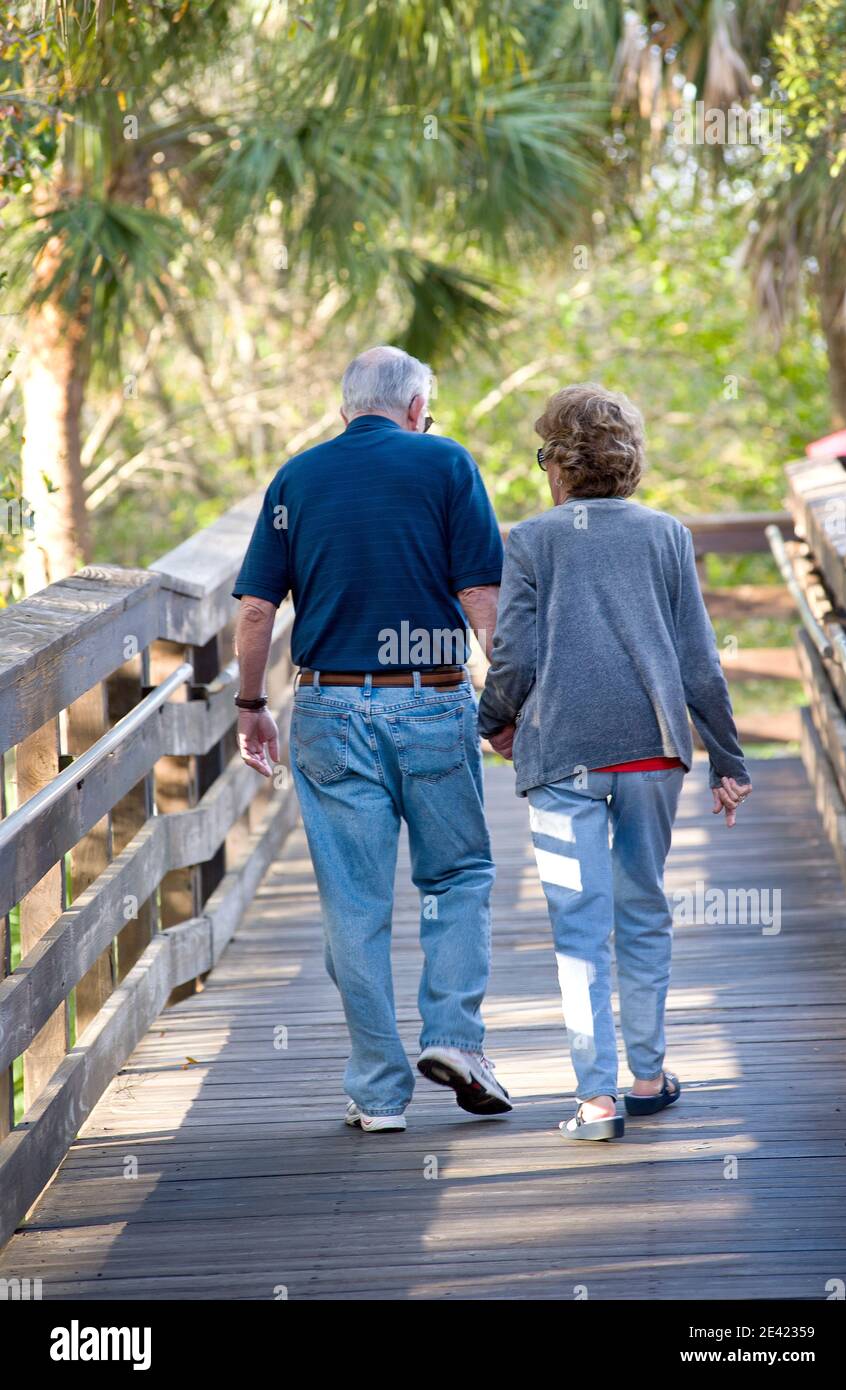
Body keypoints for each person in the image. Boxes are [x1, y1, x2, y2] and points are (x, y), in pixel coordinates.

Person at [232, 345, 512, 1133]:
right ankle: (454, 1039)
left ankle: (379, 1093)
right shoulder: (445, 464)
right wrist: (510, 700)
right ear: (418, 406)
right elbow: (480, 594)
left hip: (326, 708)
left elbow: (256, 610)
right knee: (455, 877)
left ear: (343, 407)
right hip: (428, 700)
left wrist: (251, 702)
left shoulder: (297, 477)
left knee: (353, 904)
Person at [477, 383, 752, 1142]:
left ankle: (595, 1102)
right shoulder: (665, 534)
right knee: (642, 910)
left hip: (561, 752)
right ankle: (646, 1076)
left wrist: (495, 720)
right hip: (650, 748)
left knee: (577, 925)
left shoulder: (531, 540)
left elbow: (514, 652)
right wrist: (729, 758)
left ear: (558, 463)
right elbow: (699, 660)